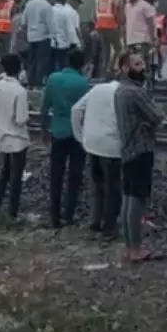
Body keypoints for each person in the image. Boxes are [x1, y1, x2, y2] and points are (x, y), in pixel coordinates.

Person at [114, 49, 163, 262]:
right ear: (125, 68)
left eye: (142, 63)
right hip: (140, 149)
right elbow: (156, 116)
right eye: (136, 64)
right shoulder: (135, 92)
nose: (142, 68)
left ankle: (128, 245)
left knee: (127, 198)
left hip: (126, 149)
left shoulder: (120, 90)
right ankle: (136, 248)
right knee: (137, 199)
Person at [42, 49, 90, 227]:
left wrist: (43, 127)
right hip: (77, 135)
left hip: (57, 131)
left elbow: (45, 106)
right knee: (74, 176)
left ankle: (54, 214)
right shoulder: (83, 84)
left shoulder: (53, 79)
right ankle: (68, 214)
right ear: (82, 65)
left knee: (56, 174)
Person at [74, 78, 122, 237]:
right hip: (111, 147)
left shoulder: (97, 89)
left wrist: (80, 136)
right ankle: (109, 227)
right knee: (112, 187)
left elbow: (76, 109)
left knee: (96, 184)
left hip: (91, 144)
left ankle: (94, 221)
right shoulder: (121, 93)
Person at [0, 54, 30, 220]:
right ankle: (13, 212)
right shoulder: (19, 91)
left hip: (1, 137)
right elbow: (20, 119)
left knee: (4, 174)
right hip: (17, 139)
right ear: (19, 69)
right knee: (15, 177)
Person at [23, 0, 54, 87]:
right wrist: (53, 36)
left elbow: (23, 22)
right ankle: (38, 83)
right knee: (41, 61)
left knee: (31, 61)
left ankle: (30, 82)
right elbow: (50, 23)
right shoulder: (47, 5)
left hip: (31, 36)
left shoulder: (29, 4)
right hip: (43, 36)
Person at [122, 0, 157, 73]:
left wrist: (153, 39)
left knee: (141, 62)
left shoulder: (145, 6)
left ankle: (146, 81)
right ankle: (138, 82)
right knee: (133, 64)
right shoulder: (127, 7)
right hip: (131, 40)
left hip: (142, 39)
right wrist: (125, 39)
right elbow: (127, 23)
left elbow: (151, 24)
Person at [94, 0, 122, 78]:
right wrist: (119, 24)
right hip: (110, 25)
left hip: (99, 26)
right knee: (118, 48)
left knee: (106, 50)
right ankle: (110, 69)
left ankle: (104, 72)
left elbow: (95, 13)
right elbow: (117, 11)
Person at [50, 0, 78, 73]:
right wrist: (71, 43)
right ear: (65, 1)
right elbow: (70, 30)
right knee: (62, 66)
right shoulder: (66, 12)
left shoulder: (49, 10)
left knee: (51, 66)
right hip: (62, 44)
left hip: (50, 43)